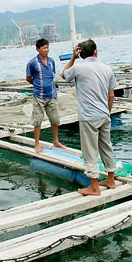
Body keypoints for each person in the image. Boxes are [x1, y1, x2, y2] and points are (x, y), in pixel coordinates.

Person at [61, 39, 117, 196]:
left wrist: (73, 58)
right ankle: (111, 180)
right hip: (104, 114)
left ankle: (94, 186)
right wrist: (107, 110)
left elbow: (64, 74)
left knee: (90, 151)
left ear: (81, 53)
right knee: (106, 146)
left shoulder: (78, 67)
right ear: (96, 52)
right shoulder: (107, 68)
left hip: (88, 116)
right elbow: (111, 94)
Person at [26, 38, 66, 153]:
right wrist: (38, 85)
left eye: (47, 47)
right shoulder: (32, 63)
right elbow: (28, 78)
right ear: (38, 49)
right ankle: (37, 144)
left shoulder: (52, 61)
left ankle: (56, 141)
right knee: (37, 120)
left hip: (52, 95)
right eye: (44, 48)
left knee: (55, 119)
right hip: (39, 96)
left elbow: (52, 75)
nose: (46, 50)